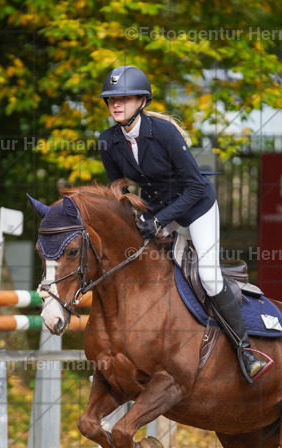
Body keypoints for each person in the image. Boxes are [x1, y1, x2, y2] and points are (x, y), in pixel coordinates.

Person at [96, 64, 268, 383]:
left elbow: (195, 186)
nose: (116, 104)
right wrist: (133, 220)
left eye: (125, 97)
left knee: (208, 275)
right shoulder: (108, 140)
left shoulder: (163, 133)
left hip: (196, 208)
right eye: (111, 99)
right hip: (158, 210)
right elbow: (116, 190)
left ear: (142, 102)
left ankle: (246, 353)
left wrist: (160, 220)